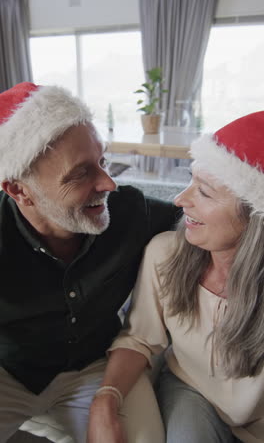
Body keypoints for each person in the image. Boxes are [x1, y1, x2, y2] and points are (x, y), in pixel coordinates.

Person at [0, 82, 182, 443]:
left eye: (102, 161)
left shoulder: (131, 212)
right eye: (81, 173)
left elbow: (203, 224)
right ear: (20, 191)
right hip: (10, 374)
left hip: (98, 368)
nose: (109, 183)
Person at [88, 111, 264, 443]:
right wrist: (105, 400)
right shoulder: (165, 253)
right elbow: (139, 337)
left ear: (256, 218)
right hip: (190, 391)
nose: (180, 200)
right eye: (190, 180)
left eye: (206, 193)